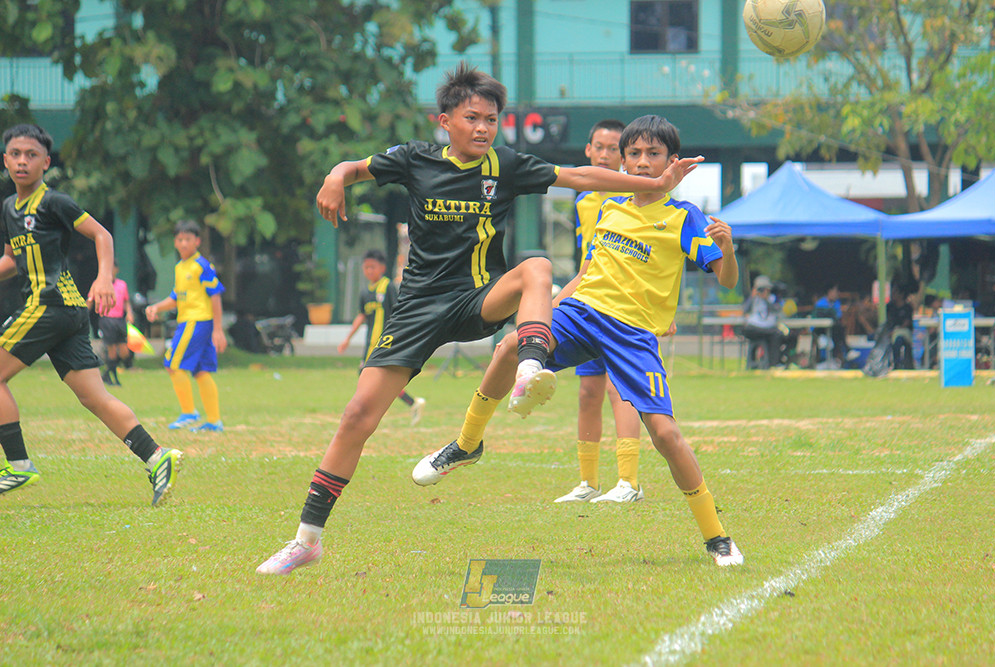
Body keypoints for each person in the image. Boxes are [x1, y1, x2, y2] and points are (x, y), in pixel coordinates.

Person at [255, 65, 702, 575]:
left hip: (479, 300)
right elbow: (354, 168)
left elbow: (577, 177)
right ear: (444, 120)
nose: (484, 128)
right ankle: (307, 540)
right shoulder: (413, 159)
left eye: (491, 119)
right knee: (357, 416)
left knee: (535, 267)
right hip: (418, 307)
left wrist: (656, 181)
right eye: (472, 118)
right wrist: (336, 175)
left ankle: (531, 366)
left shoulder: (505, 165)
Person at [413, 114, 744, 566]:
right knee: (511, 347)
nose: (643, 163)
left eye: (654, 154)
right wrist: (546, 312)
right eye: (634, 154)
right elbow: (589, 272)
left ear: (671, 160)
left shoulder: (683, 216)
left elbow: (725, 282)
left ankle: (716, 536)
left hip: (631, 335)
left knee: (665, 434)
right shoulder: (610, 206)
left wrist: (727, 251)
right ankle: (467, 443)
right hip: (582, 312)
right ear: (623, 161)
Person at [0, 123, 181, 504]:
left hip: (49, 306)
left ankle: (17, 464)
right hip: (66, 314)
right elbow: (11, 261)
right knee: (94, 398)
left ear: (46, 163)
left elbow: (103, 235)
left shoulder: (54, 203)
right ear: (5, 159)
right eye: (15, 154)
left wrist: (102, 278)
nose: (22, 161)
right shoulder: (9, 209)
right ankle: (157, 456)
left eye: (31, 155)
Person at [556, 119, 645, 505]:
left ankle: (629, 482)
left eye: (615, 149)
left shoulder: (635, 198)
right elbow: (588, 261)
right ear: (588, 152)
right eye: (600, 147)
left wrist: (559, 300)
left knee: (618, 389)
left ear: (624, 158)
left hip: (624, 305)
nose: (607, 154)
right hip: (589, 302)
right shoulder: (583, 198)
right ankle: (588, 483)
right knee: (588, 392)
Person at [145, 220, 228, 432]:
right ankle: (214, 421)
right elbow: (176, 297)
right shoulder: (180, 267)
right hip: (191, 321)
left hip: (197, 321)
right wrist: (156, 307)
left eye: (188, 239)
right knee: (201, 371)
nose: (183, 243)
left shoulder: (202, 266)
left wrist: (218, 329)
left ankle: (189, 412)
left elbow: (216, 295)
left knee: (172, 364)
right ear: (175, 242)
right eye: (180, 239)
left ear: (197, 241)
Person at [337, 249, 425, 426]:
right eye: (366, 267)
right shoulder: (365, 292)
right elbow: (361, 316)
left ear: (382, 268)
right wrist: (347, 339)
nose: (369, 270)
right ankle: (412, 403)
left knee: (368, 377)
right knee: (376, 379)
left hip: (383, 342)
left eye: (372, 267)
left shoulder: (388, 287)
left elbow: (398, 311)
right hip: (370, 344)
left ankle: (364, 412)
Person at [87, 261, 132, 386]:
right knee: (111, 350)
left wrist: (129, 313)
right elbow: (90, 300)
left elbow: (126, 301)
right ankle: (114, 378)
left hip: (119, 320)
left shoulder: (122, 285)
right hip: (106, 319)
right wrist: (83, 315)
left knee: (124, 351)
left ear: (116, 269)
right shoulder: (98, 284)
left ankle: (107, 373)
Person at [742, 275, 782, 369]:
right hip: (754, 328)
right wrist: (752, 297)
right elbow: (745, 310)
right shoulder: (752, 299)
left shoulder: (772, 298)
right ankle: (752, 364)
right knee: (771, 334)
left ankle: (773, 364)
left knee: (776, 335)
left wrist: (766, 299)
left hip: (767, 328)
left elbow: (776, 310)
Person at [812, 283, 847, 366]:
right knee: (838, 331)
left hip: (833, 329)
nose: (837, 293)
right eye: (835, 291)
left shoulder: (837, 303)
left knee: (838, 330)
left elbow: (838, 317)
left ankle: (837, 358)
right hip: (819, 329)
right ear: (830, 292)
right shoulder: (820, 303)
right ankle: (844, 352)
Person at [886, 284, 914, 369]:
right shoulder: (890, 307)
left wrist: (896, 330)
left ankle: (898, 363)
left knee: (899, 339)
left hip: (904, 331)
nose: (892, 295)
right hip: (891, 331)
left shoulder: (907, 307)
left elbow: (907, 322)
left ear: (901, 294)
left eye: (895, 293)